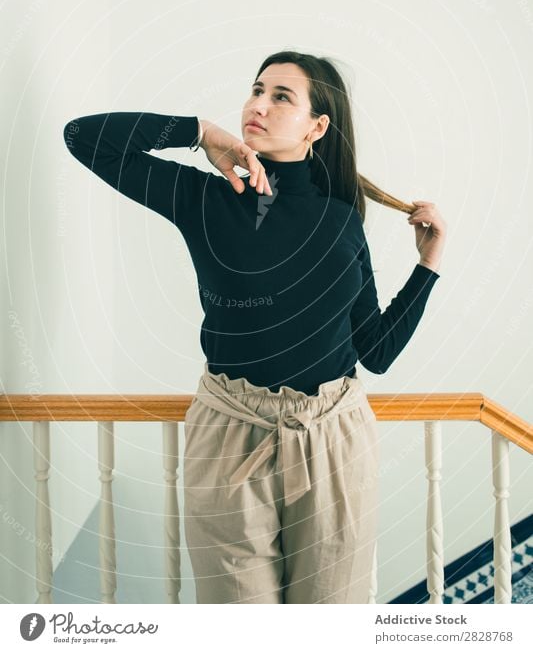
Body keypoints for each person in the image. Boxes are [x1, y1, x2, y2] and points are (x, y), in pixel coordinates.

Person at [63, 49, 446, 604]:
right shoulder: (207, 198)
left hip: (334, 435)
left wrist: (427, 266)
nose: (257, 105)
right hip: (230, 433)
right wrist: (201, 132)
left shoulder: (341, 220)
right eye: (256, 90)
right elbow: (84, 138)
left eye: (281, 96)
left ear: (318, 126)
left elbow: (377, 351)